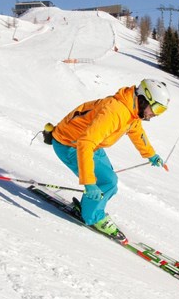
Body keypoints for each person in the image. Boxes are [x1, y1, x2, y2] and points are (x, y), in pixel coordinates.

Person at [50, 79, 170, 238]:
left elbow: (137, 132)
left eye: (161, 111)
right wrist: (89, 183)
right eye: (157, 108)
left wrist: (151, 154)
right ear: (144, 99)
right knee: (107, 181)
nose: (155, 114)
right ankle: (92, 217)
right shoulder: (115, 112)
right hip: (70, 144)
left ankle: (87, 207)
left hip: (90, 144)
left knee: (109, 178)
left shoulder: (131, 110)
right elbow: (85, 143)